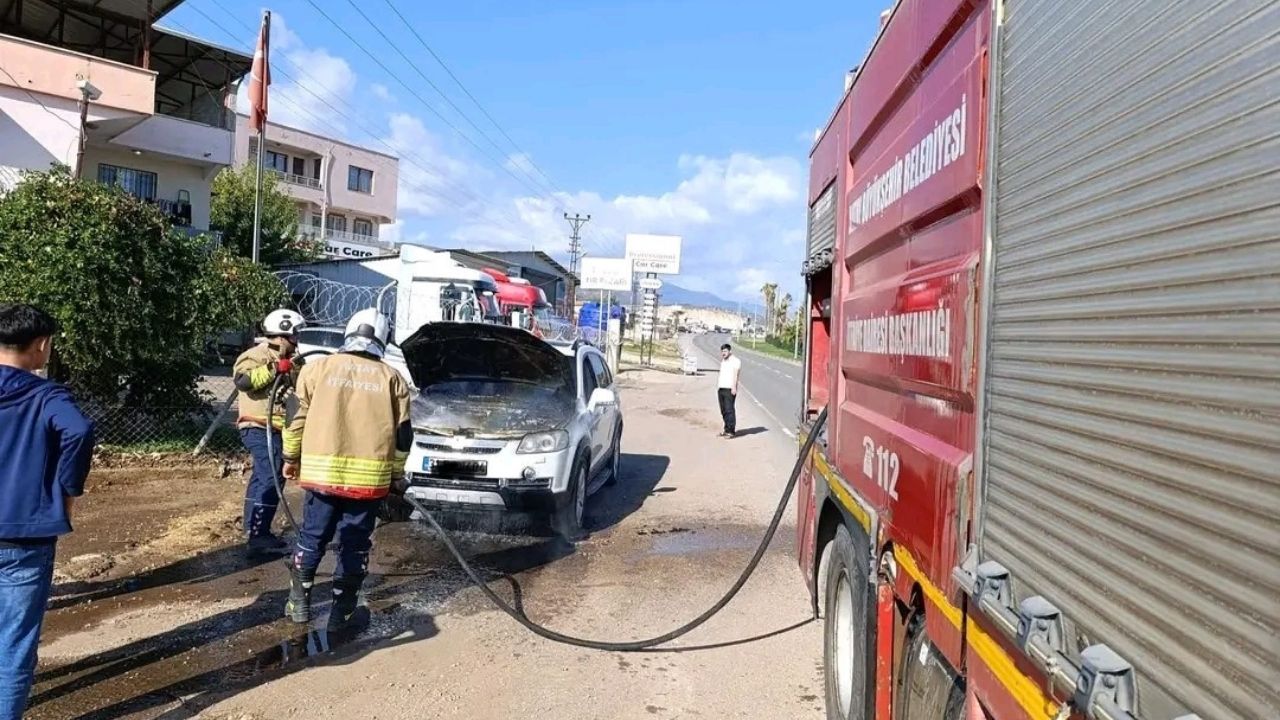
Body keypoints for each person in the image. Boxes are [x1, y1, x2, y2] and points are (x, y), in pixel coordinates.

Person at [282, 308, 411, 630]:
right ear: (383, 338)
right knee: (355, 544)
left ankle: (299, 604)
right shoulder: (392, 378)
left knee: (312, 537)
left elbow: (294, 419)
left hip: (321, 476)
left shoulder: (317, 369)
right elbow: (403, 436)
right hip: (368, 483)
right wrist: (396, 476)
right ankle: (343, 611)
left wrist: (289, 457)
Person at [0, 304, 95, 720]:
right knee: (14, 644)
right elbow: (78, 429)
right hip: (26, 535)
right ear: (41, 345)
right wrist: (67, 488)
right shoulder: (45, 396)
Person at [233, 309, 306, 557]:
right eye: (295, 333)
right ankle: (259, 535)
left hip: (277, 428)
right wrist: (276, 368)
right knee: (271, 476)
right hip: (257, 426)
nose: (298, 338)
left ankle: (253, 528)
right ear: (283, 333)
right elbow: (244, 381)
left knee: (263, 476)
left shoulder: (295, 360)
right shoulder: (254, 356)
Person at [717, 343, 741, 438]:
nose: (723, 353)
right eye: (722, 351)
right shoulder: (723, 361)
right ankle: (726, 429)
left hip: (729, 389)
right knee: (723, 410)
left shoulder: (736, 361)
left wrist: (734, 387)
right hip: (721, 388)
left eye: (725, 351)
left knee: (729, 409)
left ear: (730, 351)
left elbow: (736, 374)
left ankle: (731, 431)